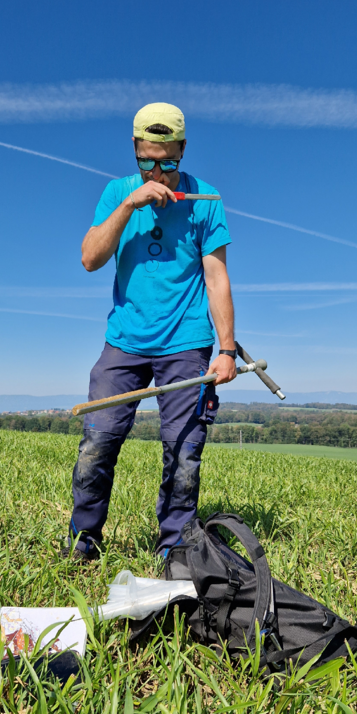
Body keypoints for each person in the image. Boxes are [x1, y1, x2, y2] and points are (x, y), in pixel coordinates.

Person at [65, 102, 236, 560]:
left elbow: (217, 277)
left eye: (168, 161)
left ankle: (175, 550)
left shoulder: (207, 200)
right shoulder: (117, 193)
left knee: (183, 451)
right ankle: (84, 541)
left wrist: (226, 350)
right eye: (147, 161)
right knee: (97, 441)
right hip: (124, 340)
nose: (157, 172)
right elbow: (89, 259)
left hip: (186, 341)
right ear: (135, 151)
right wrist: (128, 204)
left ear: (183, 149)